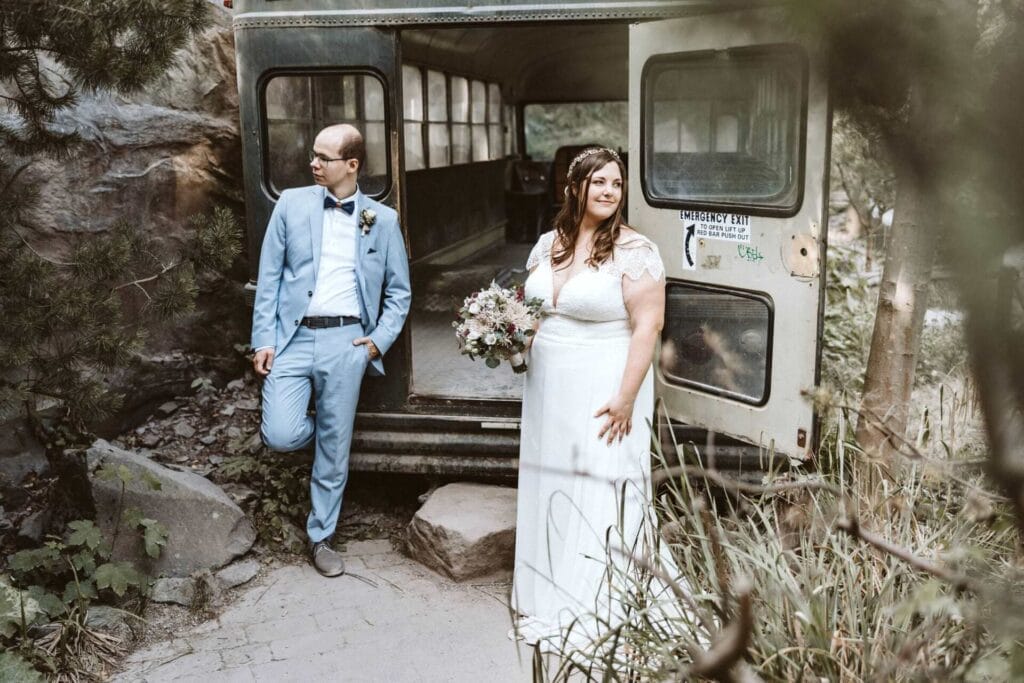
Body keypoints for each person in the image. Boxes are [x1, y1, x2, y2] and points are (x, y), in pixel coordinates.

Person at [510, 147, 668, 649]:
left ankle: (593, 594)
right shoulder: (547, 245)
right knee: (549, 472)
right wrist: (508, 339)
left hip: (604, 384)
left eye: (616, 184)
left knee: (598, 481)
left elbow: (650, 326)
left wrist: (625, 397)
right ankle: (545, 582)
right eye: (598, 181)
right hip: (547, 388)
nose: (607, 191)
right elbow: (531, 313)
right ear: (573, 188)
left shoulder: (636, 250)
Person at [250, 124, 411, 577]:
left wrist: (376, 342)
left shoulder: (383, 220)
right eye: (314, 155)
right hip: (292, 340)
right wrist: (264, 339)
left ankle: (321, 537)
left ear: (352, 165)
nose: (313, 163)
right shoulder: (291, 204)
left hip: (348, 343)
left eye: (324, 157)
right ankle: (331, 434)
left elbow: (399, 293)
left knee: (335, 451)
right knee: (281, 434)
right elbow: (270, 278)